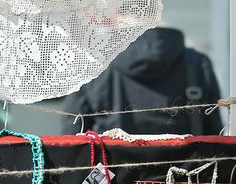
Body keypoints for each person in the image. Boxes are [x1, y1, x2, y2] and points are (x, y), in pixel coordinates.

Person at [62, 26, 222, 135]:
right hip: (183, 178)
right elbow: (214, 133)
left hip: (111, 178)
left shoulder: (93, 64)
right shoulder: (197, 64)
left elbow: (72, 133)